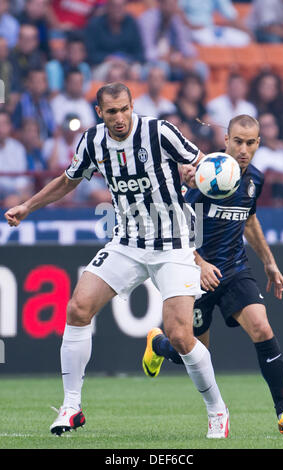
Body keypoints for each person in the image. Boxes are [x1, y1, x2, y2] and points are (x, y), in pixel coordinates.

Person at [4, 82, 229, 439]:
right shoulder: (93, 142)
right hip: (127, 241)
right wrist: (27, 206)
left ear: (132, 105)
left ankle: (217, 410)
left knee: (181, 335)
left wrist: (194, 174)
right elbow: (68, 180)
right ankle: (71, 406)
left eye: (125, 109)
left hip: (173, 244)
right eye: (112, 112)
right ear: (100, 113)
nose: (120, 118)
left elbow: (203, 167)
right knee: (78, 308)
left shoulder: (160, 131)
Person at [142, 114, 283, 435]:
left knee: (261, 327)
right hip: (192, 273)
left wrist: (269, 262)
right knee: (193, 351)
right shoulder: (205, 177)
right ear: (225, 140)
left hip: (234, 270)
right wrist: (198, 262)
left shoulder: (255, 178)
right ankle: (158, 345)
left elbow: (249, 220)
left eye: (250, 143)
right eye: (237, 141)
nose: (243, 149)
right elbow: (175, 222)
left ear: (258, 143)